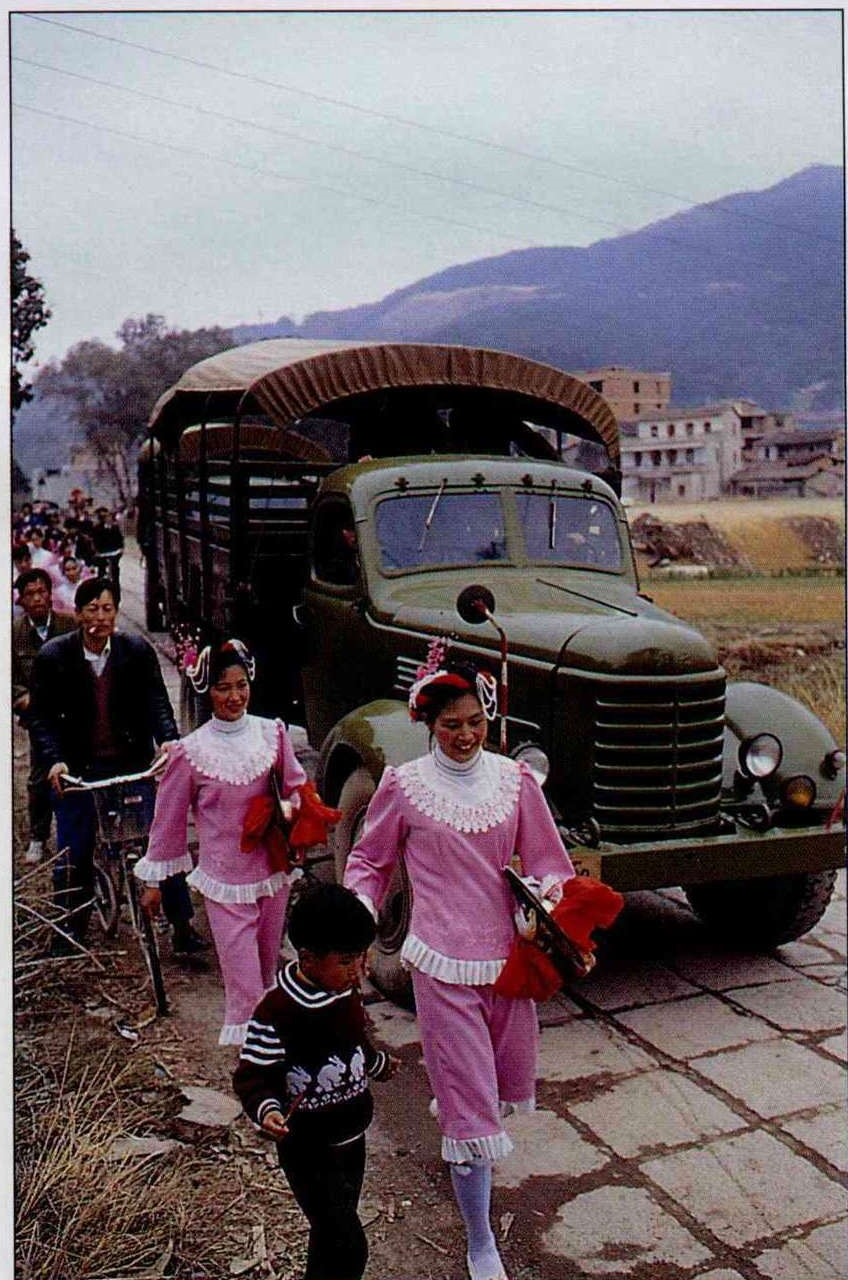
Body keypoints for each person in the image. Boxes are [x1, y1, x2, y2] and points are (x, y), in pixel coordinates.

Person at [343, 644, 576, 1280]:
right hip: (442, 966)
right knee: (471, 1112)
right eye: (451, 725)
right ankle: (480, 1241)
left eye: (475, 722)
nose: (466, 735)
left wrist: (545, 902)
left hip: (511, 966)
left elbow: (551, 863)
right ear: (428, 723)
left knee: (494, 1092)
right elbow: (368, 862)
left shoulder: (516, 782)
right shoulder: (405, 787)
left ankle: (460, 1107)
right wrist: (357, 916)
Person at [133, 641, 308, 1044]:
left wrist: (289, 813)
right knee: (244, 983)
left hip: (273, 871)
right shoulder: (190, 752)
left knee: (267, 969)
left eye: (241, 685)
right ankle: (254, 1059)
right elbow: (168, 820)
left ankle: (269, 1060)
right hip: (225, 882)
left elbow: (296, 788)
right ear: (207, 692)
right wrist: (154, 882)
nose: (234, 696)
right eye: (223, 688)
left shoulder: (272, 733)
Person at [233, 882, 399, 1280]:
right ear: (307, 958)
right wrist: (267, 1110)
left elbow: (353, 1043)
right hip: (308, 1150)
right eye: (346, 961)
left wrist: (376, 1064)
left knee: (329, 1236)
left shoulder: (343, 992)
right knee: (349, 1245)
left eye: (361, 958)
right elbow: (253, 1075)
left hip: (352, 1138)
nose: (358, 970)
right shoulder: (277, 1012)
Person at [28, 577, 202, 956]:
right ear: (78, 614)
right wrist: (54, 761)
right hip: (77, 770)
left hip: (129, 762)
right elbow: (40, 718)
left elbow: (157, 702)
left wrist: (168, 740)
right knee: (74, 849)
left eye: (107, 609)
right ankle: (70, 928)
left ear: (116, 612)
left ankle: (182, 926)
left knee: (162, 841)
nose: (100, 617)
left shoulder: (136, 651)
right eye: (92, 609)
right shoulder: (54, 657)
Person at [12, 569, 77, 864]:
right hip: (39, 720)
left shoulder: (69, 626)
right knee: (40, 777)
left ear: (50, 595)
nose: (37, 599)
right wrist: (22, 698)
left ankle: (80, 833)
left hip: (73, 715)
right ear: (21, 600)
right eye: (30, 594)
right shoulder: (14, 634)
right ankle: (38, 837)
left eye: (42, 592)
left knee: (78, 772)